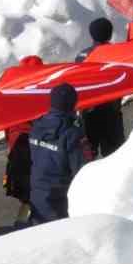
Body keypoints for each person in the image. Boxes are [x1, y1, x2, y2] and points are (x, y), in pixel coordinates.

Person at [27, 84, 87, 224]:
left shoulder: (37, 126)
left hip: (37, 190)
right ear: (73, 103)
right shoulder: (72, 133)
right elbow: (81, 170)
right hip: (60, 196)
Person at [75, 18, 126, 158]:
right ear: (110, 34)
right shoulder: (118, 53)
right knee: (114, 156)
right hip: (111, 111)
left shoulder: (81, 56)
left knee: (88, 155)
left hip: (88, 112)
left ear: (91, 35)